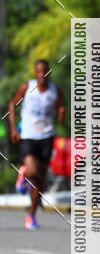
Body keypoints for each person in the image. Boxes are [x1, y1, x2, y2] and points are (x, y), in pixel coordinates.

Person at [8, 59, 66, 229]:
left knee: (40, 180)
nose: (42, 75)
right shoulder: (28, 87)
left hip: (47, 136)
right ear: (36, 73)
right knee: (33, 171)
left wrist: (62, 114)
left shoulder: (56, 91)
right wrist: (13, 129)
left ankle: (31, 215)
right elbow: (12, 105)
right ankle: (24, 173)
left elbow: (61, 109)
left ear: (49, 73)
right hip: (28, 135)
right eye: (39, 71)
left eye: (45, 72)